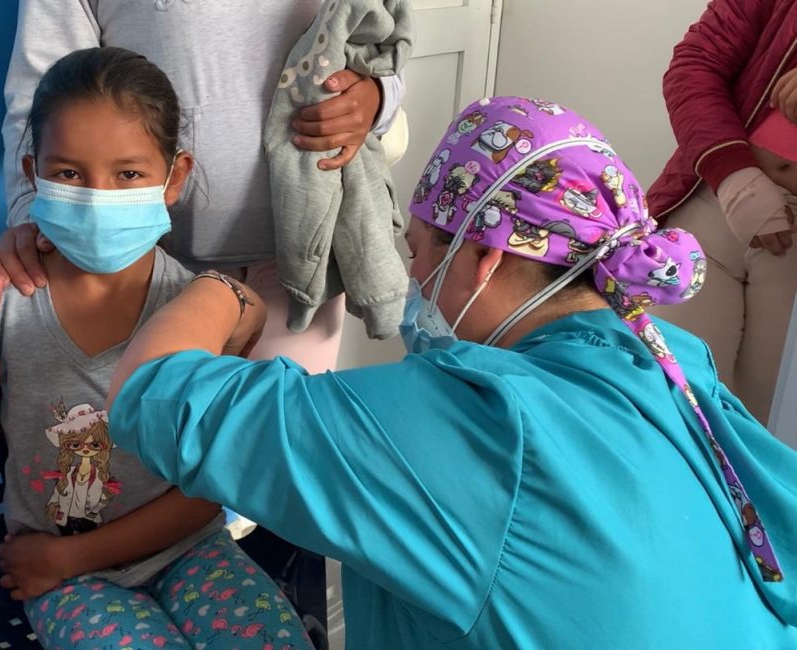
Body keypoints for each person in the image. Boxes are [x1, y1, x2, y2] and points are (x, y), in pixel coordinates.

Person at [104, 97, 797, 648]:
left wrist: (224, 290)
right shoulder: (667, 360)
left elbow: (150, 394)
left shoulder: (480, 423)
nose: (412, 277)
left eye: (419, 250)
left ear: (486, 257)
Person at [0, 47, 312, 649]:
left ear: (174, 178)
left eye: (128, 174)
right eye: (68, 173)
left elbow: (207, 488)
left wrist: (71, 557)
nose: (95, 196)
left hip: (186, 549)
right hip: (59, 575)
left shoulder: (196, 314)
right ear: (32, 173)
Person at [0, 0, 407, 376]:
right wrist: (35, 216)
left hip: (302, 261)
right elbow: (44, 91)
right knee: (132, 432)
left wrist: (376, 98)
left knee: (279, 433)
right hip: (143, 264)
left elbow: (375, 43)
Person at [647, 0, 797, 424]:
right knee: (664, 395)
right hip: (715, 203)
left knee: (766, 426)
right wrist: (735, 179)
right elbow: (694, 67)